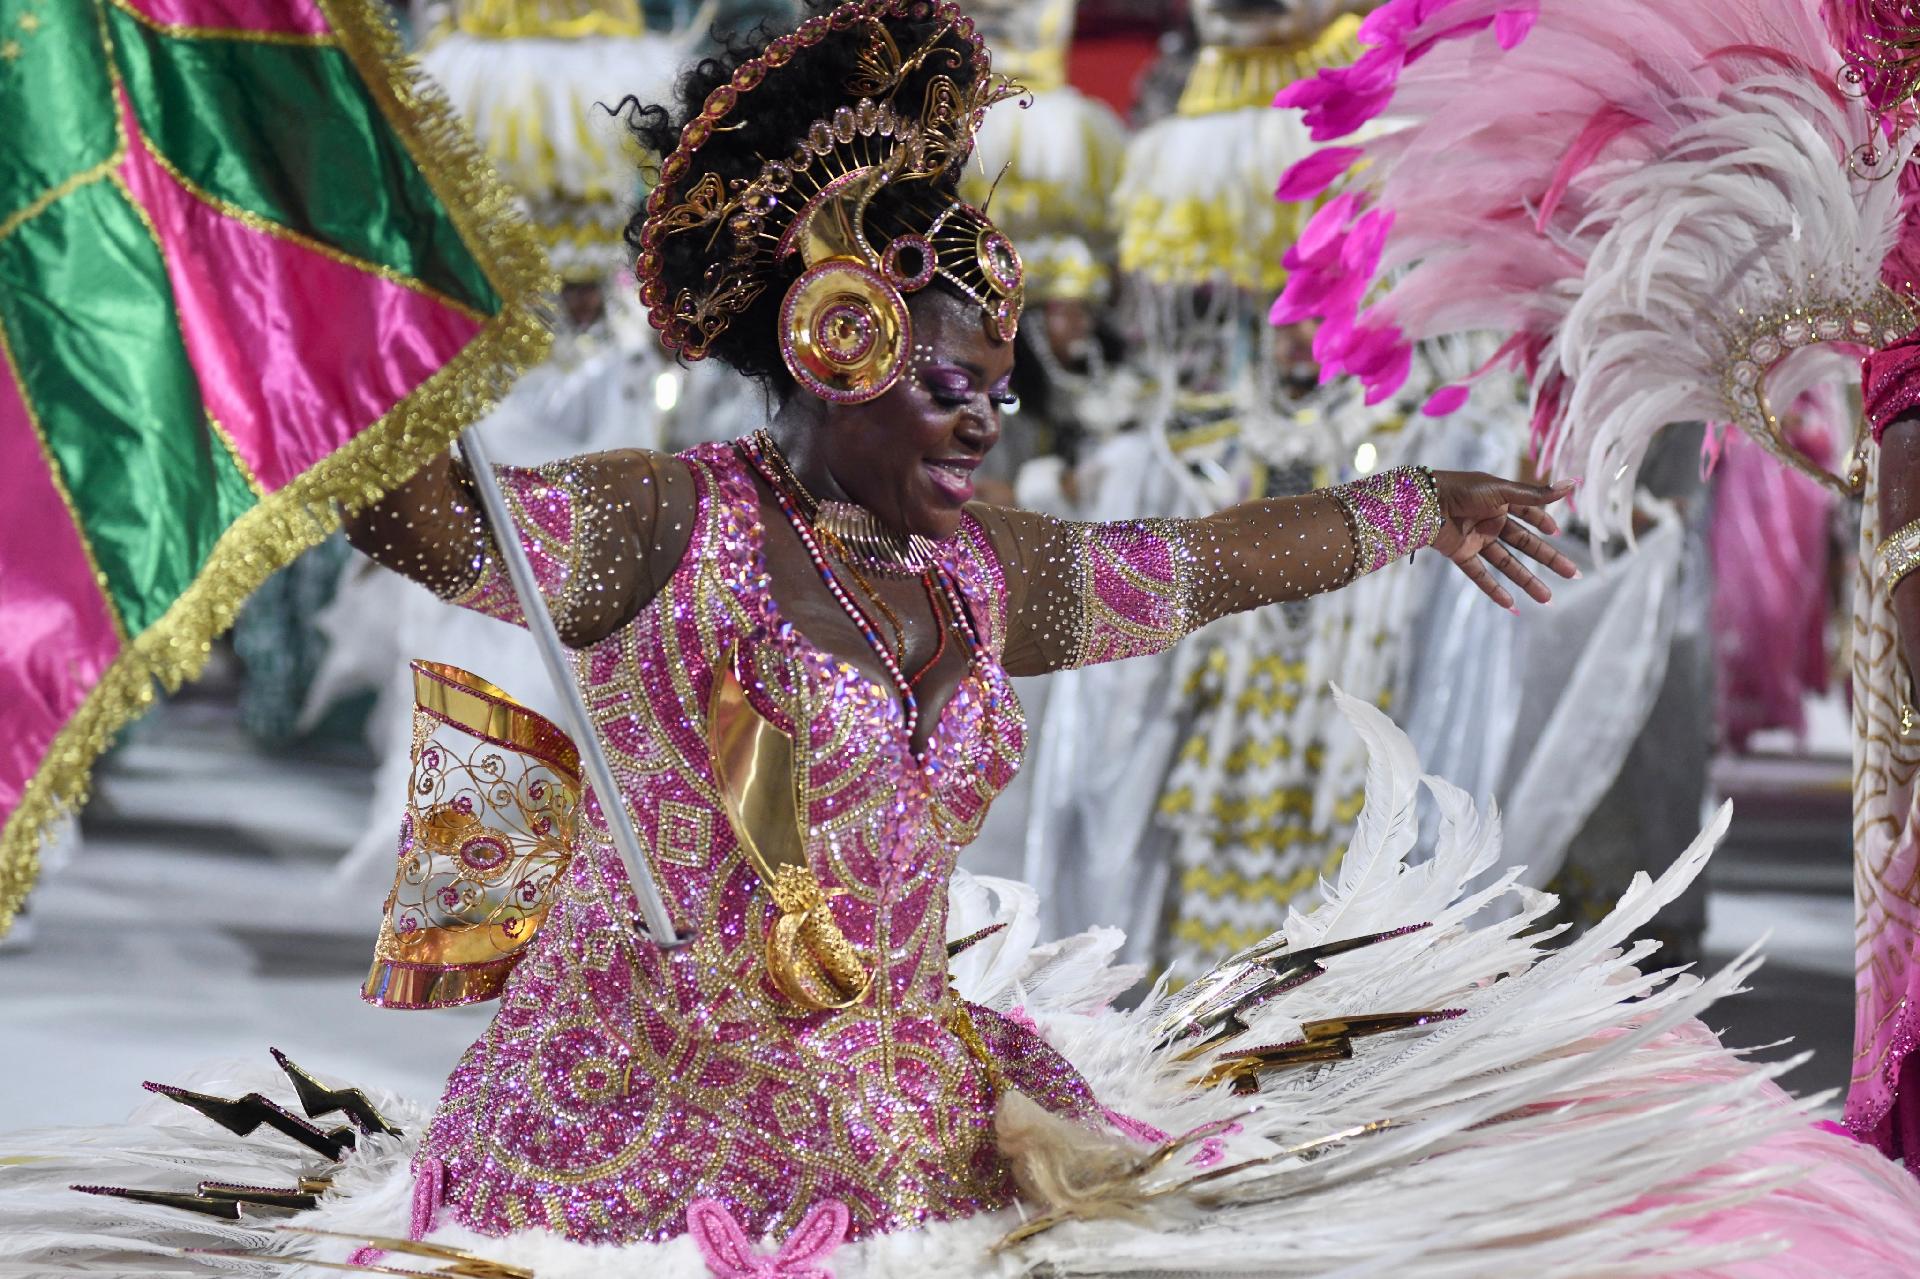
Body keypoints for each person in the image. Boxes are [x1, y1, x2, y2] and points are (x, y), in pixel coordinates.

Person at [12, 4, 1920, 1275]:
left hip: (908, 1144)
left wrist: (1405, 510)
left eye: (995, 388)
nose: (981, 420)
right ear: (828, 358)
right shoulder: (664, 527)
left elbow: (1185, 561)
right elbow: (437, 526)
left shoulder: (987, 572)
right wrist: (288, 328)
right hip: (623, 1179)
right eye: (943, 388)